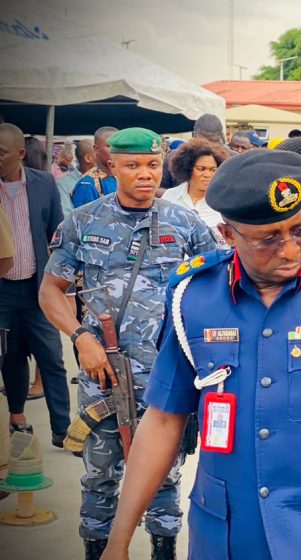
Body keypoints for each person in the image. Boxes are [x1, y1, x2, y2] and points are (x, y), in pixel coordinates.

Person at [100, 149, 301, 560]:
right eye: (268, 238)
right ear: (227, 234)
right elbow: (164, 418)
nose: (290, 250)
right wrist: (119, 538)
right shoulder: (193, 296)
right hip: (228, 534)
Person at [38, 127, 218, 560]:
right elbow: (50, 291)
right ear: (110, 167)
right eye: (133, 166)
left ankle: (162, 551)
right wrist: (82, 338)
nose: (145, 175)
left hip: (167, 376)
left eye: (152, 165)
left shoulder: (187, 224)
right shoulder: (83, 221)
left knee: (166, 475)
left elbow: (213, 291)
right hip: (105, 373)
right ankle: (97, 550)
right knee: (98, 475)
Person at [0, 123, 70, 447]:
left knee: (52, 357)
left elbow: (57, 233)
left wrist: (60, 282)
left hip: (37, 289)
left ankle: (63, 430)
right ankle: (17, 416)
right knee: (11, 357)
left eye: (1, 153)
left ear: (20, 154)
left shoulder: (43, 184)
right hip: (2, 292)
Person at [161, 138, 230, 240]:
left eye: (213, 170)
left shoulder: (224, 202)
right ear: (188, 168)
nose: (207, 175)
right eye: (201, 169)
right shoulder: (170, 197)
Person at [160, 114, 228, 189]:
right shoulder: (174, 157)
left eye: (213, 142)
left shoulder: (232, 159)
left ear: (221, 137)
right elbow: (159, 188)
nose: (208, 147)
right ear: (194, 135)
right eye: (203, 142)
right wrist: (179, 196)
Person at [72, 126, 118, 208]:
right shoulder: (87, 184)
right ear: (96, 149)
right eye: (109, 146)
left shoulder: (125, 178)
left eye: (118, 146)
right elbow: (83, 219)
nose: (115, 150)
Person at [57, 140, 91, 216]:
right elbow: (66, 216)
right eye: (98, 155)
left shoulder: (106, 180)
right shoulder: (63, 184)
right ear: (88, 158)